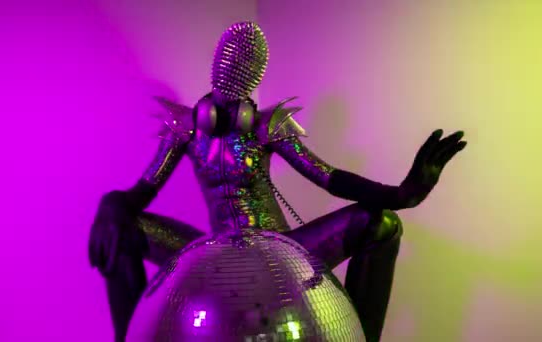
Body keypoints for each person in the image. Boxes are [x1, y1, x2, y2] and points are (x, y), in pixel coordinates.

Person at [88, 21, 467, 342]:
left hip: (282, 247)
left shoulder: (269, 125)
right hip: (216, 253)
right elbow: (143, 191)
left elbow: (328, 177)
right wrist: (111, 207)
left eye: (245, 65)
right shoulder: (185, 128)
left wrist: (400, 194)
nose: (234, 69)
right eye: (230, 60)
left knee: (381, 224)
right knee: (118, 229)